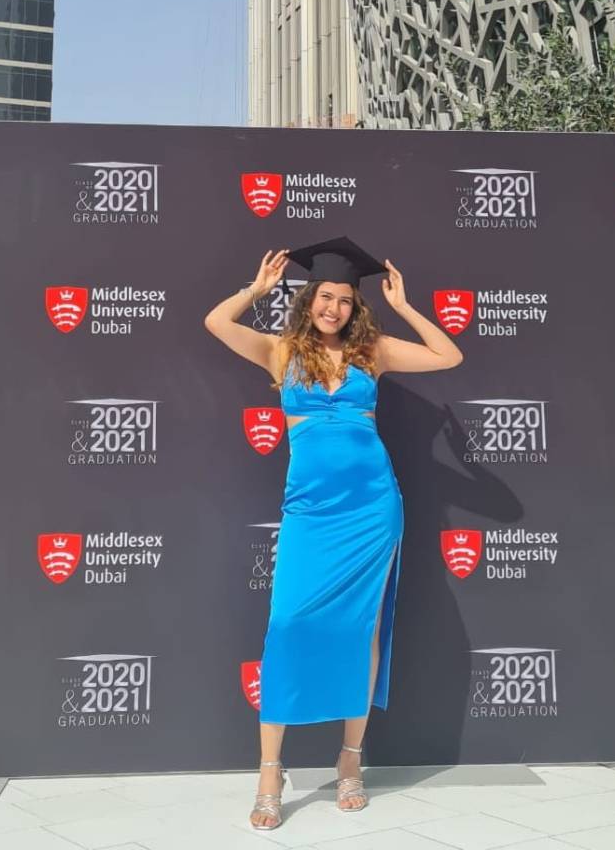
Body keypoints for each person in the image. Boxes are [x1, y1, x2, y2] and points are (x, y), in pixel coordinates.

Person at [204, 236, 464, 830]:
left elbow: (447, 355)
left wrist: (405, 307)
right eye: (325, 297)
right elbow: (216, 322)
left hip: (372, 509)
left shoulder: (373, 352)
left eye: (345, 300)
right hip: (311, 513)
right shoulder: (279, 351)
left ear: (355, 306)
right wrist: (255, 290)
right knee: (286, 625)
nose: (334, 308)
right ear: (309, 299)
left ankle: (350, 760)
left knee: (360, 631)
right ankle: (270, 770)